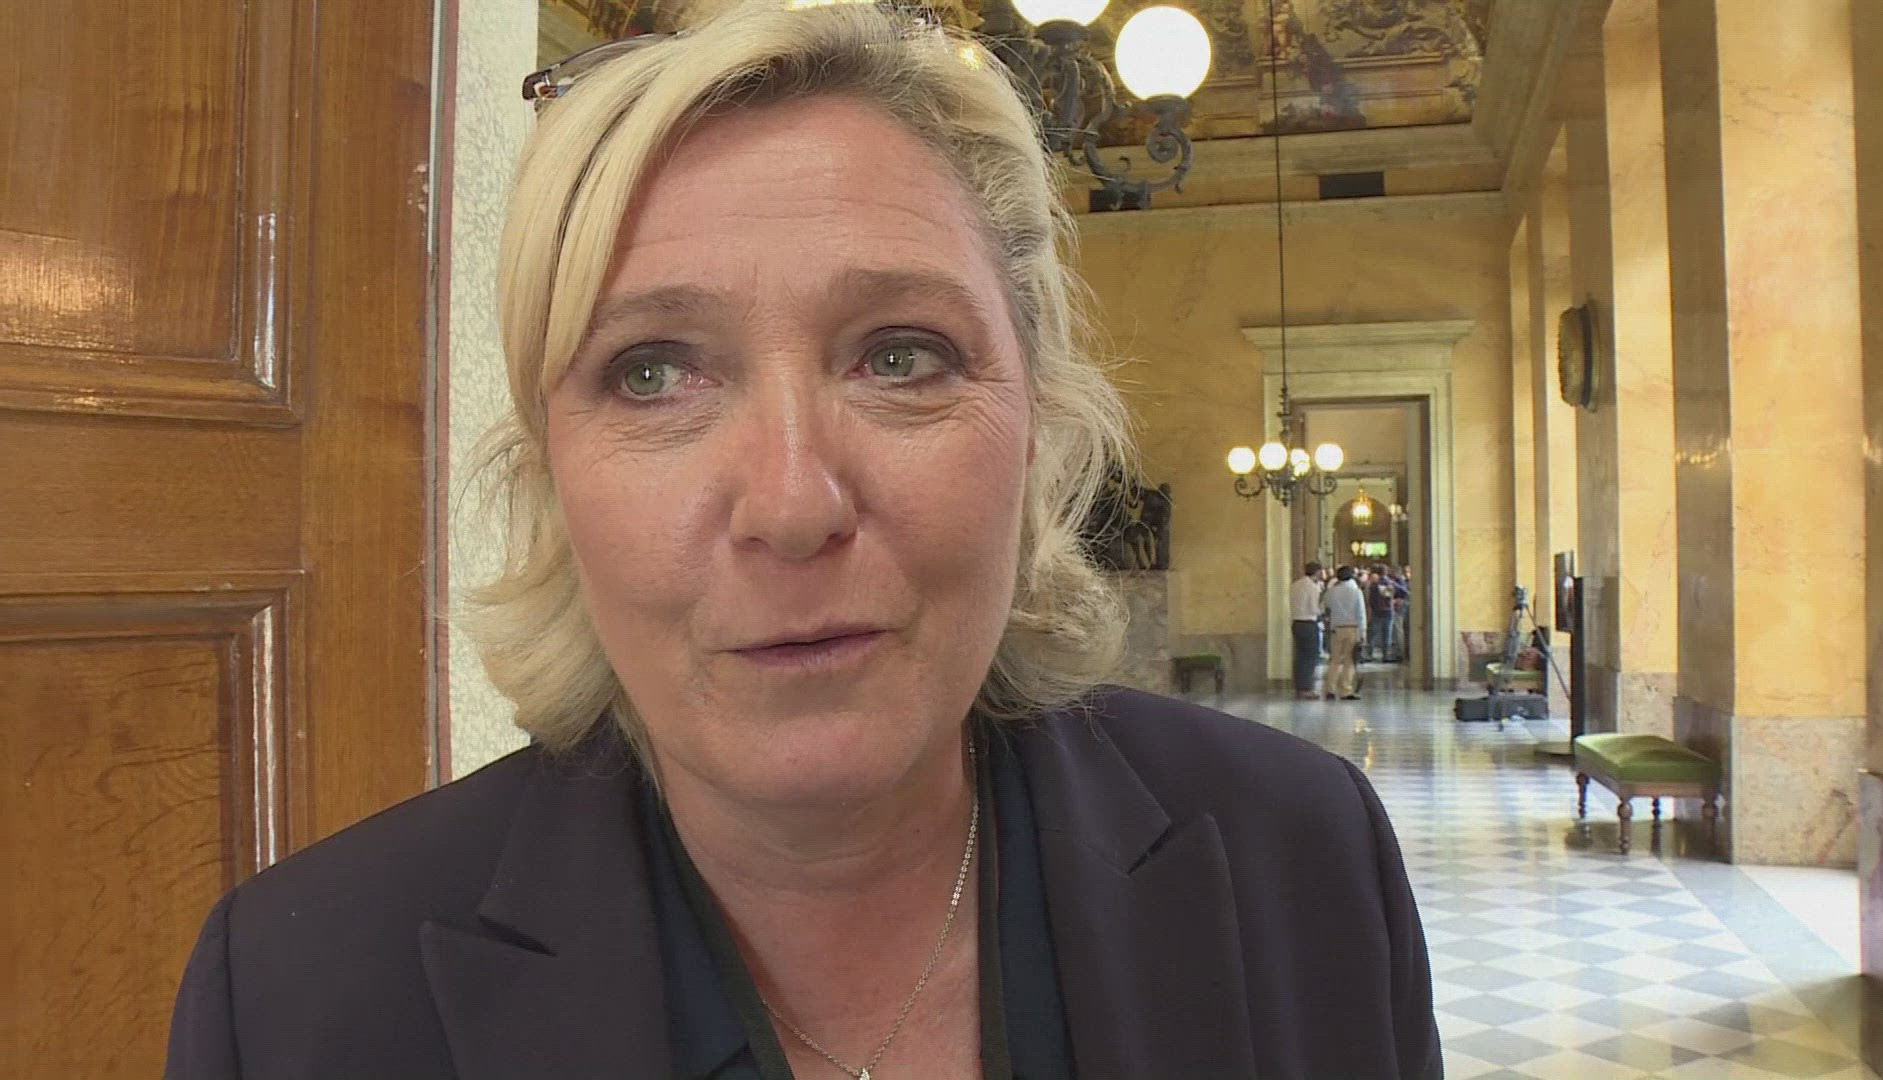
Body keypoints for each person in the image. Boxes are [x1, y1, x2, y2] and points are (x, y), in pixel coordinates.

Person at [164, 5, 1439, 1078]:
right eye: (653, 372)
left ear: (1038, 429)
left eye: (902, 356)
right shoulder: (296, 1004)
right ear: (548, 475)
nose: (792, 503)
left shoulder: (1301, 856)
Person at [1322, 565, 1368, 701]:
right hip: (1352, 628)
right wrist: (1363, 632)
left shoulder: (1332, 591)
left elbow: (1326, 605)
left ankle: (1330, 689)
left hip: (1336, 628)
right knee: (1349, 660)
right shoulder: (1356, 592)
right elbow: (1361, 613)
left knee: (1334, 660)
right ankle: (1346, 690)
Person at [1290, 561, 1325, 699]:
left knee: (1300, 656)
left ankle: (1299, 687)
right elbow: (1313, 608)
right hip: (1308, 623)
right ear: (1317, 572)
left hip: (1296, 623)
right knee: (1310, 656)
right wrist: (1322, 612)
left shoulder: (1295, 585)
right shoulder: (1312, 587)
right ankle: (1306, 688)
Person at [1367, 563, 1397, 664]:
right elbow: (1396, 593)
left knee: (1373, 634)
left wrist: (1372, 608)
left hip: (1376, 611)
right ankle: (1386, 655)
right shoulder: (1390, 583)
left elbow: (1371, 599)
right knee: (1387, 635)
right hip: (1388, 611)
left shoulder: (1374, 585)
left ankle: (1369, 654)